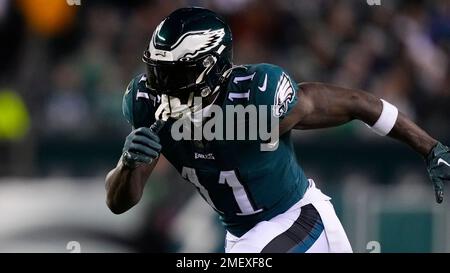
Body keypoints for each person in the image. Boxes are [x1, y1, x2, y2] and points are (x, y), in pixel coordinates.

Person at [105, 7, 450, 253]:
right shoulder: (148, 106)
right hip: (243, 236)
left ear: (211, 69)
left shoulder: (257, 98)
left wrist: (430, 147)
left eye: (174, 74)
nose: (161, 86)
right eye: (157, 72)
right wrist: (127, 164)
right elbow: (120, 203)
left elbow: (358, 103)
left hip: (297, 219)